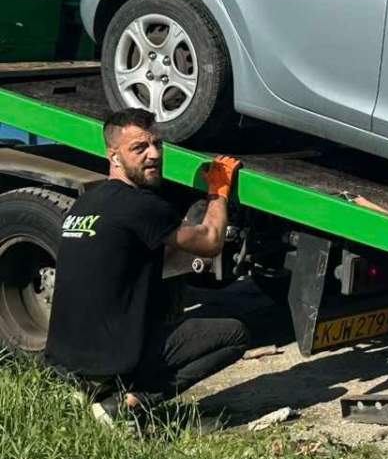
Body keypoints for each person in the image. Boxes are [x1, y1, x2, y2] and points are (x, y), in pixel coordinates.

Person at [43, 107, 247, 422]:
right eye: (139, 148)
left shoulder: (86, 203)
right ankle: (127, 403)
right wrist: (217, 193)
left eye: (157, 145)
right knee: (235, 334)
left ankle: (91, 388)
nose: (153, 154)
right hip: (109, 358)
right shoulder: (140, 206)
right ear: (114, 156)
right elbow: (209, 242)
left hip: (63, 359)